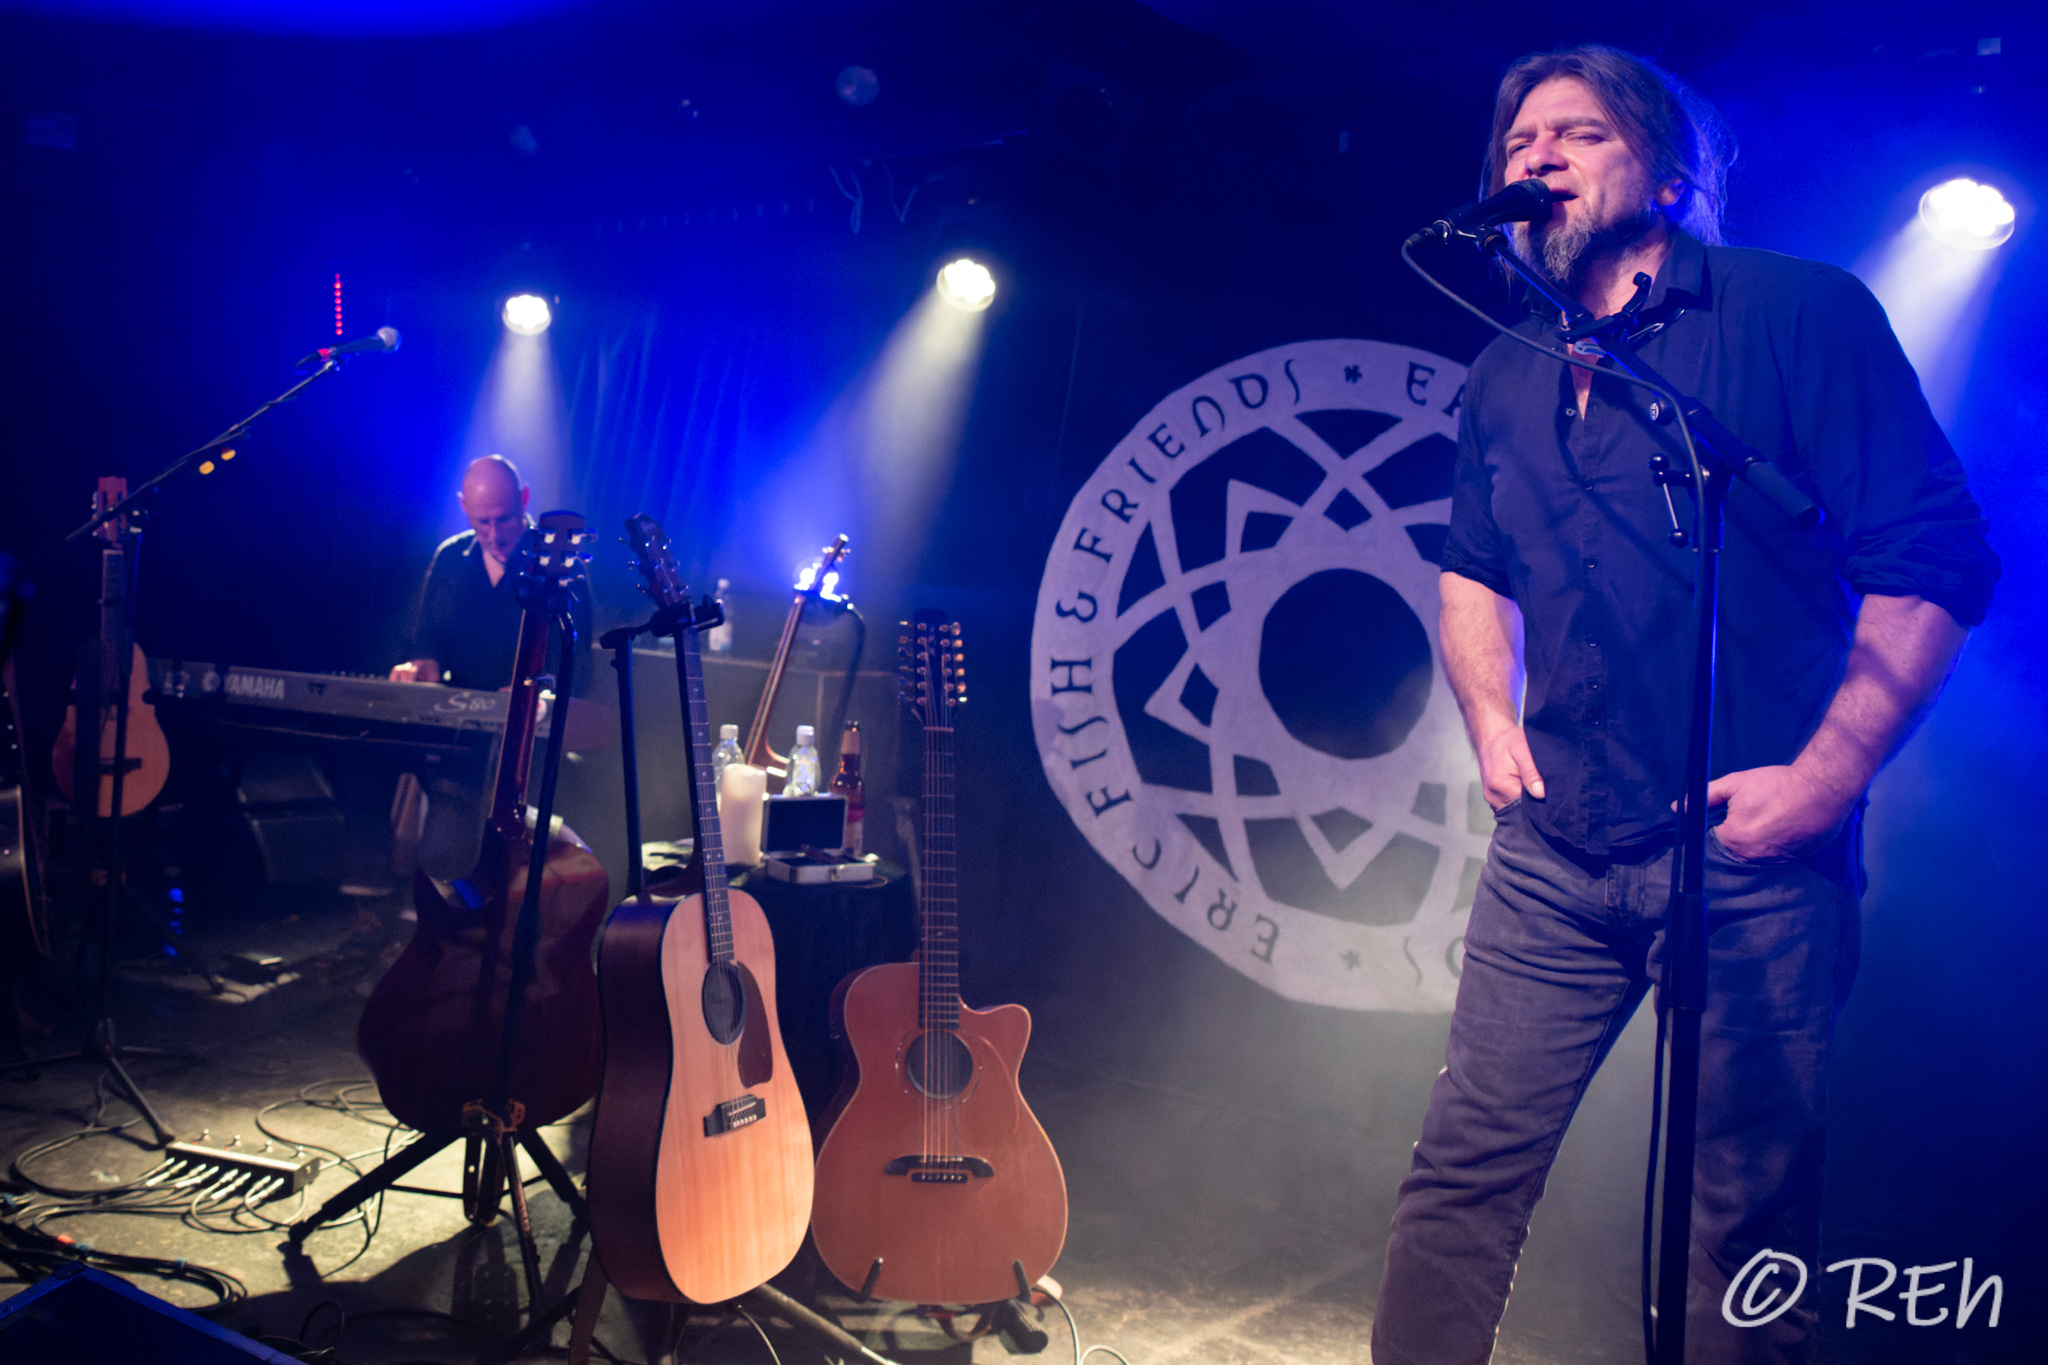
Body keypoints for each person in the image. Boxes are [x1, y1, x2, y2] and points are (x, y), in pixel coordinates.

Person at [1371, 44, 1999, 1364]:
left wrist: (1823, 783)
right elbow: (1471, 565)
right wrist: (1490, 717)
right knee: (1461, 1175)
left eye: (1576, 134)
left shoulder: (1797, 314)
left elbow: (1934, 561)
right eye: (1517, 141)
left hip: (1746, 856)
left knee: (1740, 1220)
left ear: (1668, 174)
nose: (1534, 156)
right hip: (1555, 852)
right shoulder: (1507, 370)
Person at [392, 454, 588, 690]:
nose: (495, 537)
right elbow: (428, 637)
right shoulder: (450, 557)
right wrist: (421, 665)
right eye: (483, 522)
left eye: (505, 519)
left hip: (530, 710)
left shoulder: (560, 565)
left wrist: (536, 693)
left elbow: (577, 667)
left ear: (524, 498)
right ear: (464, 506)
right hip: (456, 705)